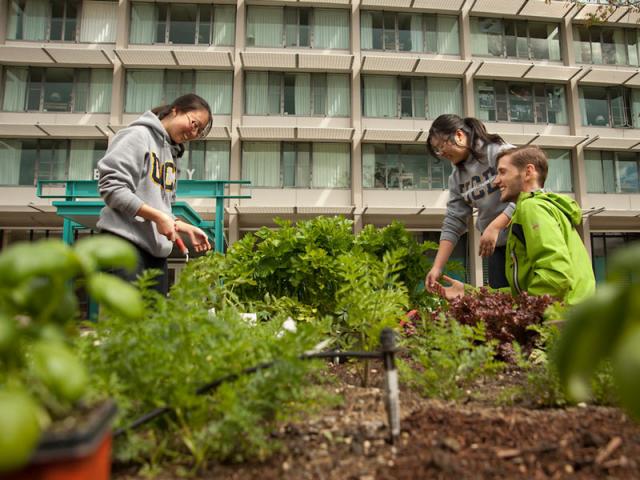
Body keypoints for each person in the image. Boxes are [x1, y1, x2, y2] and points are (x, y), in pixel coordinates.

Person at [435, 146, 595, 305]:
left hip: (561, 320)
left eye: (502, 172)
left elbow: (555, 276)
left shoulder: (532, 207)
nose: (496, 181)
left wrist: (525, 311)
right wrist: (470, 293)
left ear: (528, 172)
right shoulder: (534, 209)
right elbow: (521, 292)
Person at [97, 94, 213, 295]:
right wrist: (159, 217)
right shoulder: (137, 135)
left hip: (155, 254)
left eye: (200, 131)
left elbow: (160, 207)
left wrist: (182, 226)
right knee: (131, 325)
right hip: (125, 246)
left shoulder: (171, 154)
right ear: (176, 110)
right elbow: (112, 187)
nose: (194, 132)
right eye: (194, 123)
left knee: (154, 325)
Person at [425, 114, 515, 291]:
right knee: (503, 305)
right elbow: (453, 222)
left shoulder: (498, 152)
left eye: (441, 145)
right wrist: (437, 267)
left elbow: (530, 191)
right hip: (497, 249)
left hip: (525, 238)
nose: (441, 153)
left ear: (459, 135)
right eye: (437, 150)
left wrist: (496, 225)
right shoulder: (457, 179)